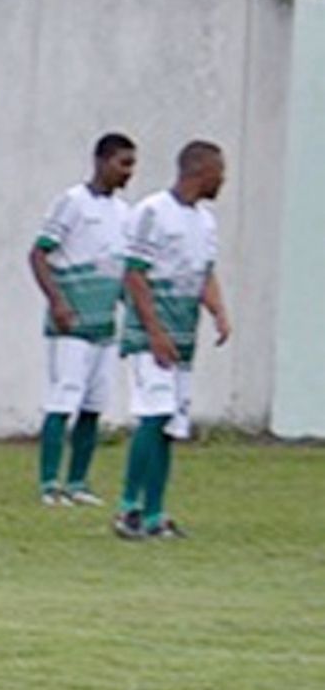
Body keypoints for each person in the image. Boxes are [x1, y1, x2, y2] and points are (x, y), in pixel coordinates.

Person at [112, 140, 232, 541]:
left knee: (170, 425)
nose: (224, 181)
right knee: (155, 413)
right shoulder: (152, 212)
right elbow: (134, 274)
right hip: (151, 336)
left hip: (183, 336)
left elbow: (204, 274)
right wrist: (154, 332)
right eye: (220, 173)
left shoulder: (206, 221)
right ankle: (129, 507)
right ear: (200, 172)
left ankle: (155, 514)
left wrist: (218, 311)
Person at [28, 132, 136, 507]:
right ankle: (49, 484)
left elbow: (122, 270)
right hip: (71, 323)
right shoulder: (72, 203)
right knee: (63, 399)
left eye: (132, 164)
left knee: (94, 405)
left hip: (104, 325)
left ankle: (78, 482)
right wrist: (57, 301)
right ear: (102, 161)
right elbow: (39, 254)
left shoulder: (125, 214)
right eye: (123, 163)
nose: (129, 172)